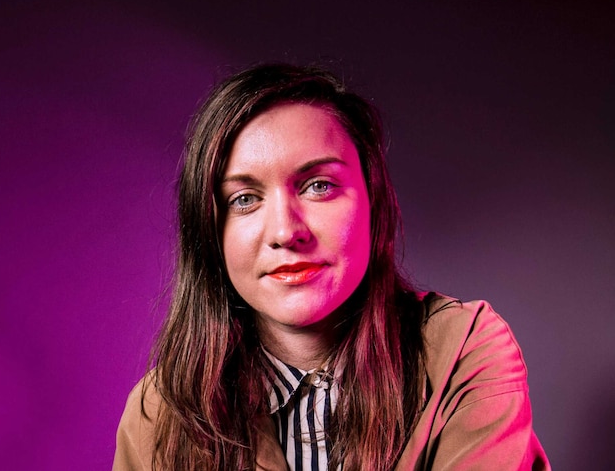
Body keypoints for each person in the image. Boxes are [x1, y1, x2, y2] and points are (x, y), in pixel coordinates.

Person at [113, 63, 550, 471]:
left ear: (373, 203)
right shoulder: (158, 413)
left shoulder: (464, 350)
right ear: (210, 232)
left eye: (318, 186)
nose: (285, 231)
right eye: (244, 199)